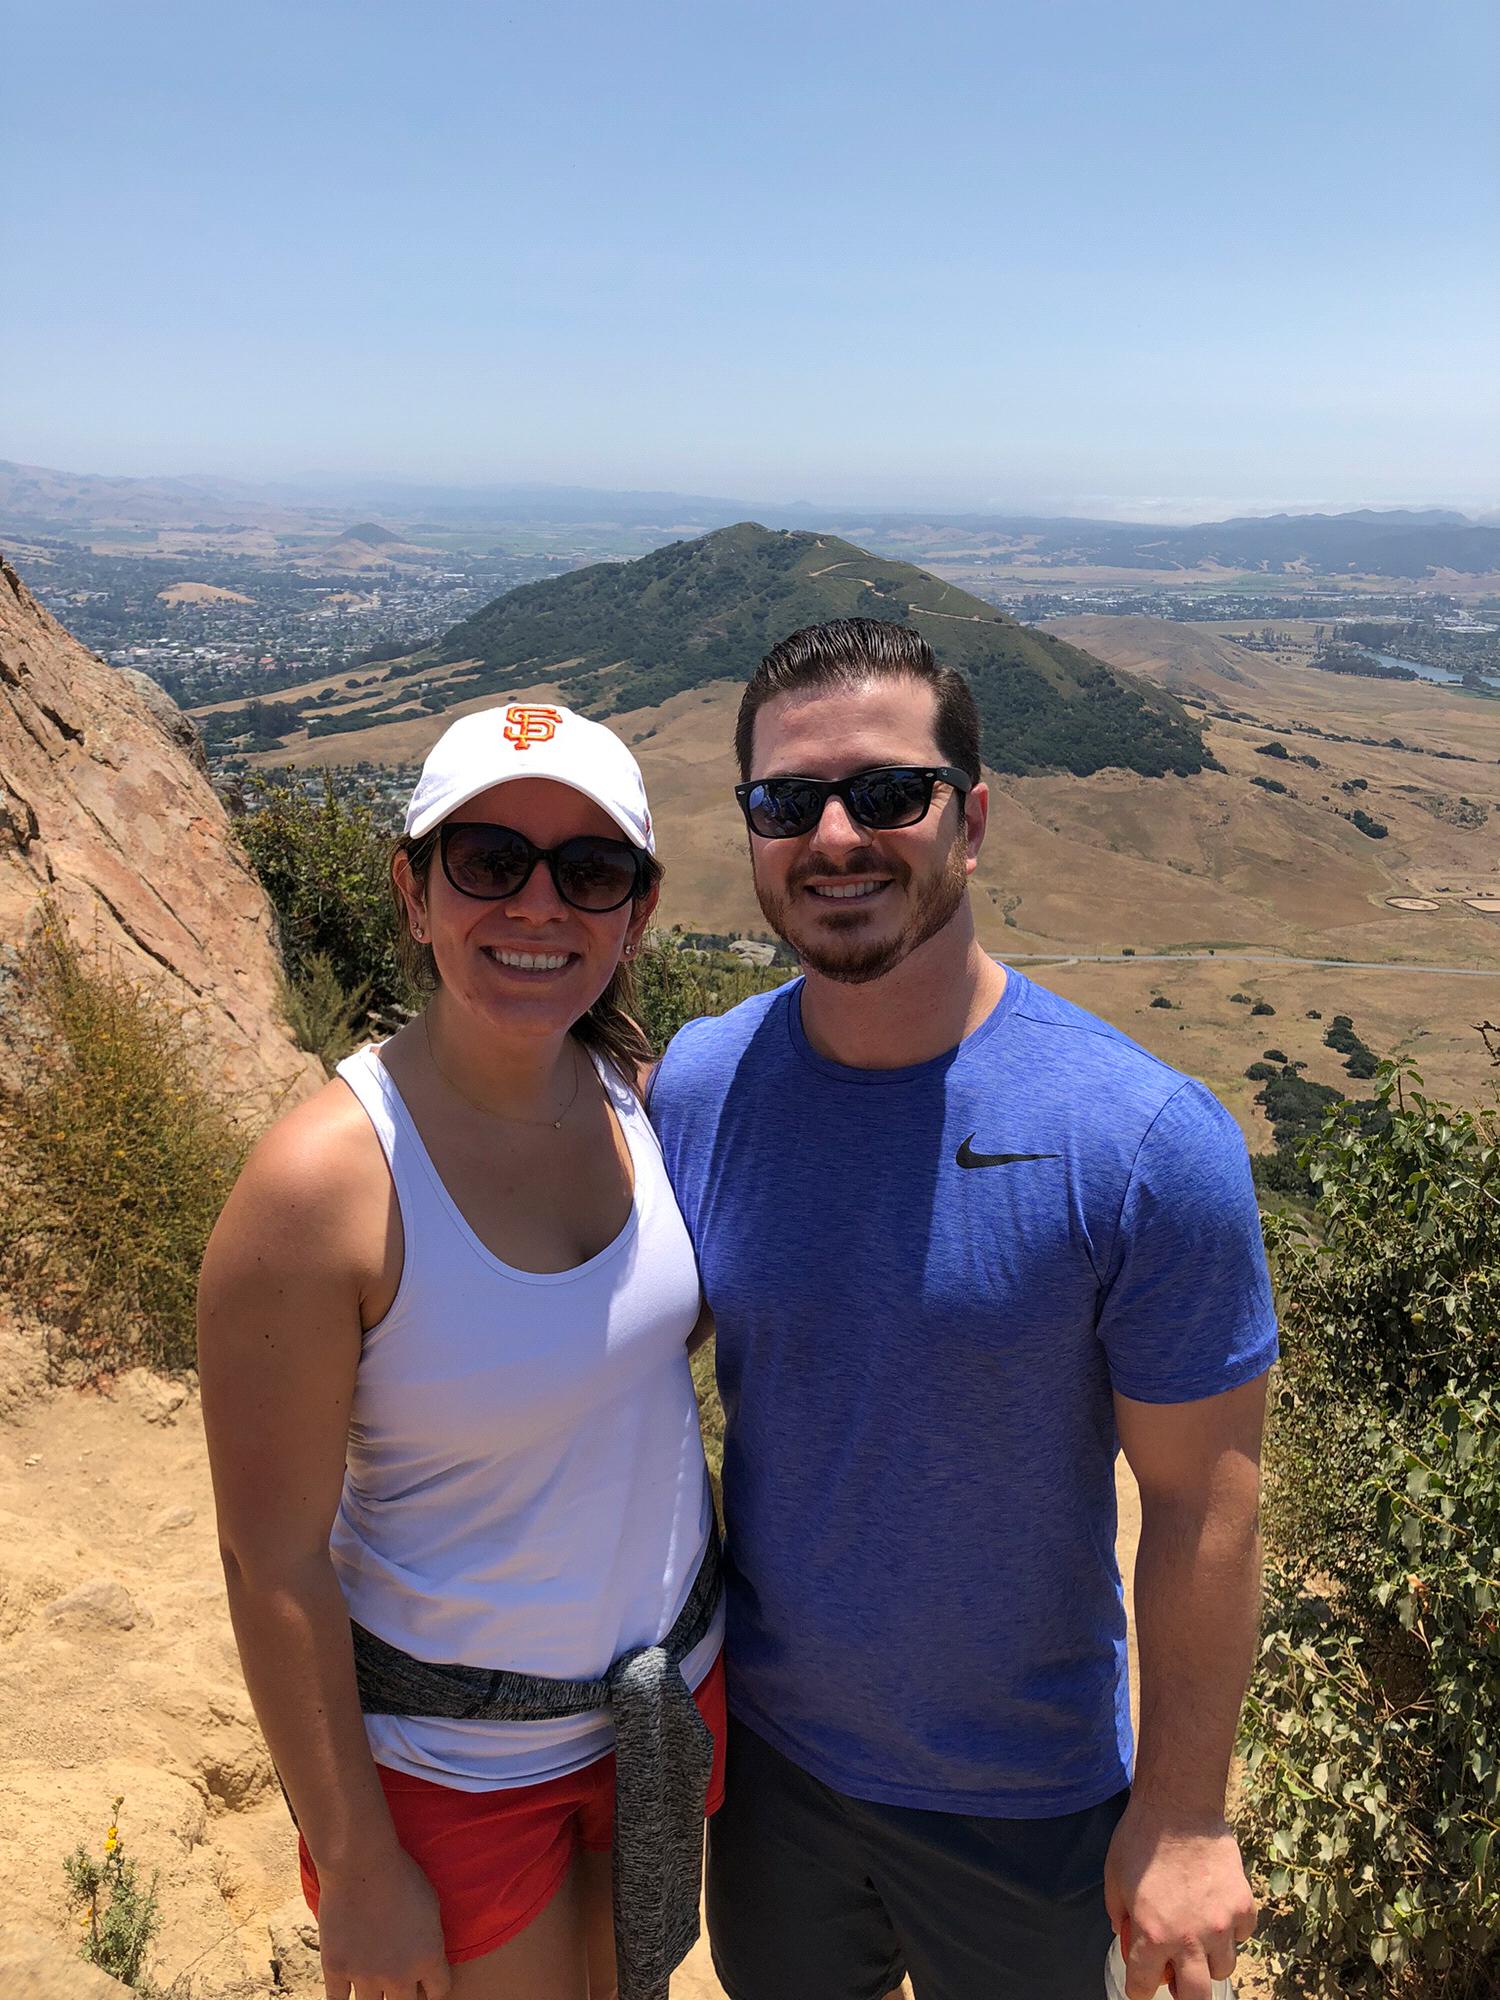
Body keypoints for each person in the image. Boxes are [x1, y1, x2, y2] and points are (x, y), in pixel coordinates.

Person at [648, 619, 1278, 2000]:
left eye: (887, 794)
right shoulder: (699, 1087)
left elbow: (1201, 1504)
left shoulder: (1142, 1142)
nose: (834, 836)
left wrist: (1182, 1813)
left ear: (971, 820)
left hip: (1035, 1803)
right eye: (785, 801)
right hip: (772, 1777)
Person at [198, 703, 724, 2000]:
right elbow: (270, 1564)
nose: (538, 905)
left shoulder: (644, 1102)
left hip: (667, 1713)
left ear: (636, 914)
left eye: (588, 872)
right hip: (449, 1766)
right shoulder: (324, 1186)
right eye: (490, 859)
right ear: (415, 889)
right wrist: (357, 1862)